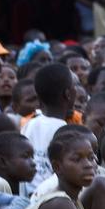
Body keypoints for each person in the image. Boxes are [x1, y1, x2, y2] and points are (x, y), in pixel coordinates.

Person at [22, 63, 76, 196]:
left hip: (28, 197)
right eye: (74, 86)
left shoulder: (30, 124)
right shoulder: (65, 131)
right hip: (52, 199)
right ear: (68, 94)